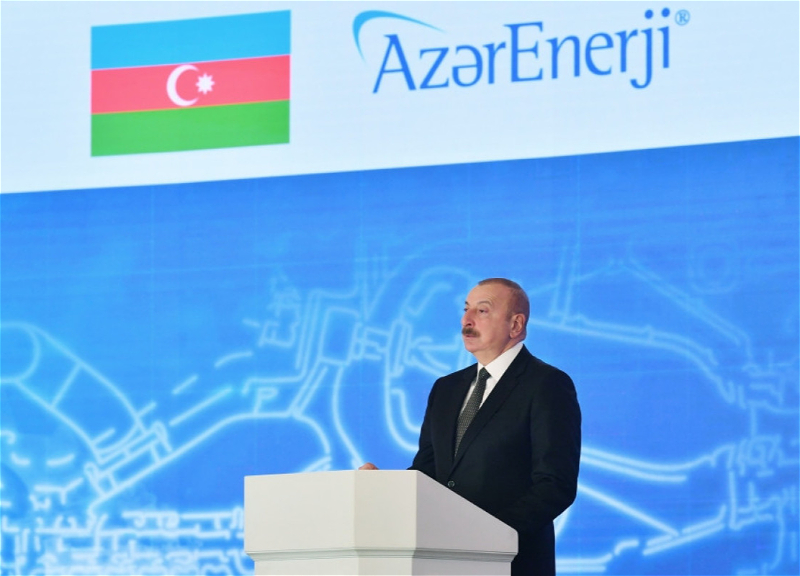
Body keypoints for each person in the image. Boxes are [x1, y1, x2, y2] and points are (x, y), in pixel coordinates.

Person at [360, 278, 581, 576]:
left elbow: (555, 485)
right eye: (466, 309)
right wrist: (386, 488)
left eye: (482, 310)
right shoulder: (446, 388)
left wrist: (490, 535)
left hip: (511, 563)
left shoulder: (546, 384)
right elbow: (429, 471)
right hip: (442, 562)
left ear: (516, 325)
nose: (467, 320)